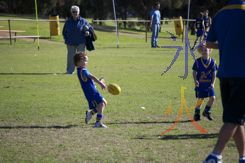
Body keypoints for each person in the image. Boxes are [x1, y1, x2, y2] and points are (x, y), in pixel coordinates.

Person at [204, 0, 245, 162]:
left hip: (225, 74)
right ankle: (215, 155)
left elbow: (208, 43)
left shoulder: (220, 14)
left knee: (235, 118)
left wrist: (228, 45)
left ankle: (243, 156)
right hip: (243, 75)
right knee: (233, 119)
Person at [73, 51, 108, 128]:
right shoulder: (83, 70)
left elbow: (89, 80)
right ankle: (98, 122)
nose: (86, 62)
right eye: (85, 61)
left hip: (93, 92)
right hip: (91, 93)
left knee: (104, 103)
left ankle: (91, 113)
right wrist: (100, 83)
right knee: (101, 104)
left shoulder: (81, 70)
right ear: (79, 62)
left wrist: (99, 82)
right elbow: (92, 77)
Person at [62, 5, 92, 74]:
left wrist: (88, 32)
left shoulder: (83, 21)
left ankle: (82, 71)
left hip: (81, 42)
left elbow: (90, 29)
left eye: (76, 12)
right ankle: (70, 71)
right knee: (71, 57)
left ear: (79, 12)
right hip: (70, 43)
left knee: (81, 58)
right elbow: (64, 32)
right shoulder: (68, 21)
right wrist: (66, 39)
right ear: (71, 12)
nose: (75, 13)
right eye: (73, 12)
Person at [192, 43, 217, 122]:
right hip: (201, 83)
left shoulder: (213, 62)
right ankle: (197, 113)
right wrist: (195, 80)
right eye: (202, 50)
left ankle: (206, 111)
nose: (204, 51)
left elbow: (214, 74)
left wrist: (213, 83)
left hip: (209, 84)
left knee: (212, 98)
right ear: (200, 51)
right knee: (201, 98)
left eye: (206, 50)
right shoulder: (197, 61)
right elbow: (194, 72)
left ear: (209, 50)